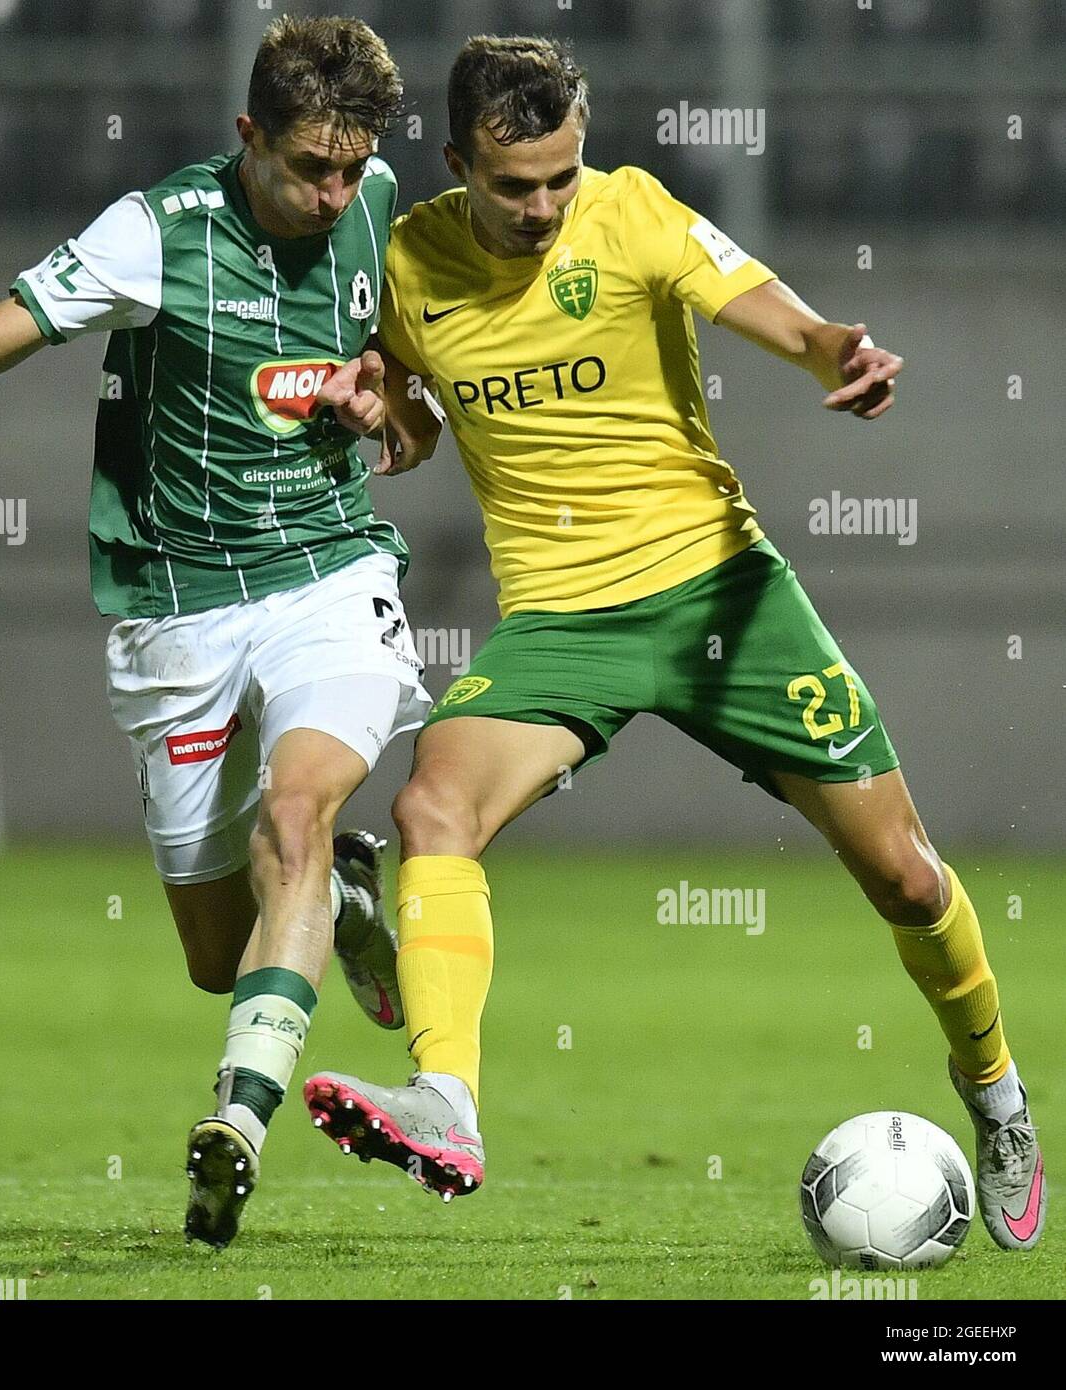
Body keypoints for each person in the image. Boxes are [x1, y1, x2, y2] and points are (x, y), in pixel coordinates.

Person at [304, 35, 1045, 1251]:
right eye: (514, 185)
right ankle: (445, 1100)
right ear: (454, 164)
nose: (544, 206)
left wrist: (836, 353)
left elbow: (782, 318)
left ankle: (998, 1095)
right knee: (434, 807)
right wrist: (384, 417)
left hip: (718, 598)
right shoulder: (401, 260)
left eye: (559, 177)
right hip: (558, 619)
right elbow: (419, 422)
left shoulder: (632, 213)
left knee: (907, 876)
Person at [0, 15, 430, 1252]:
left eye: (350, 169)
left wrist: (382, 406)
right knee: (211, 953)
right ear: (247, 137)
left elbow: (416, 427)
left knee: (293, 813)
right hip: (176, 604)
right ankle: (338, 893)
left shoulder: (379, 206)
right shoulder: (157, 235)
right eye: (308, 169)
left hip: (327, 576)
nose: (332, 193)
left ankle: (237, 1118)